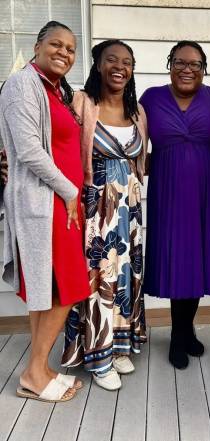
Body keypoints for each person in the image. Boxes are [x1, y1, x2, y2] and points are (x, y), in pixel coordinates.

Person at [0, 21, 90, 402]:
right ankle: (35, 372)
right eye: (56, 44)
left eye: (71, 49)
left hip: (61, 202)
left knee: (49, 289)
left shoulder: (54, 89)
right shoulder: (22, 84)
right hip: (46, 201)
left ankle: (39, 370)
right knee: (68, 287)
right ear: (37, 46)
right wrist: (69, 191)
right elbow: (28, 150)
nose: (64, 53)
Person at [61, 40, 148, 390]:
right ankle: (98, 356)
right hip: (96, 208)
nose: (120, 67)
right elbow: (55, 138)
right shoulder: (81, 102)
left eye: (127, 62)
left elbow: (139, 162)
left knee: (127, 276)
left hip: (131, 210)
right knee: (99, 277)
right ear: (98, 64)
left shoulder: (137, 111)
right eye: (112, 60)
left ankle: (120, 345)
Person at [140, 41, 210, 369]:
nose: (187, 69)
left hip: (208, 189)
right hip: (169, 190)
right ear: (170, 65)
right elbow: (133, 141)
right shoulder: (151, 98)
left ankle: (185, 330)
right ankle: (179, 335)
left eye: (195, 64)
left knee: (198, 257)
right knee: (177, 257)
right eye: (180, 62)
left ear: (204, 69)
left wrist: (206, 153)